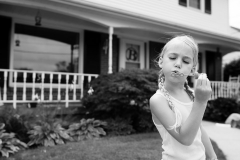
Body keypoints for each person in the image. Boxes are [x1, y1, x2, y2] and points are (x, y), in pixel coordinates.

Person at [149, 35, 218, 160]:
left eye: (186, 61)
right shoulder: (158, 100)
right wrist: (201, 102)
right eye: (172, 57)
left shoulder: (191, 94)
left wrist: (212, 156)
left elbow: (199, 129)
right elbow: (185, 138)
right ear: (161, 61)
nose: (178, 64)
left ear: (192, 70)